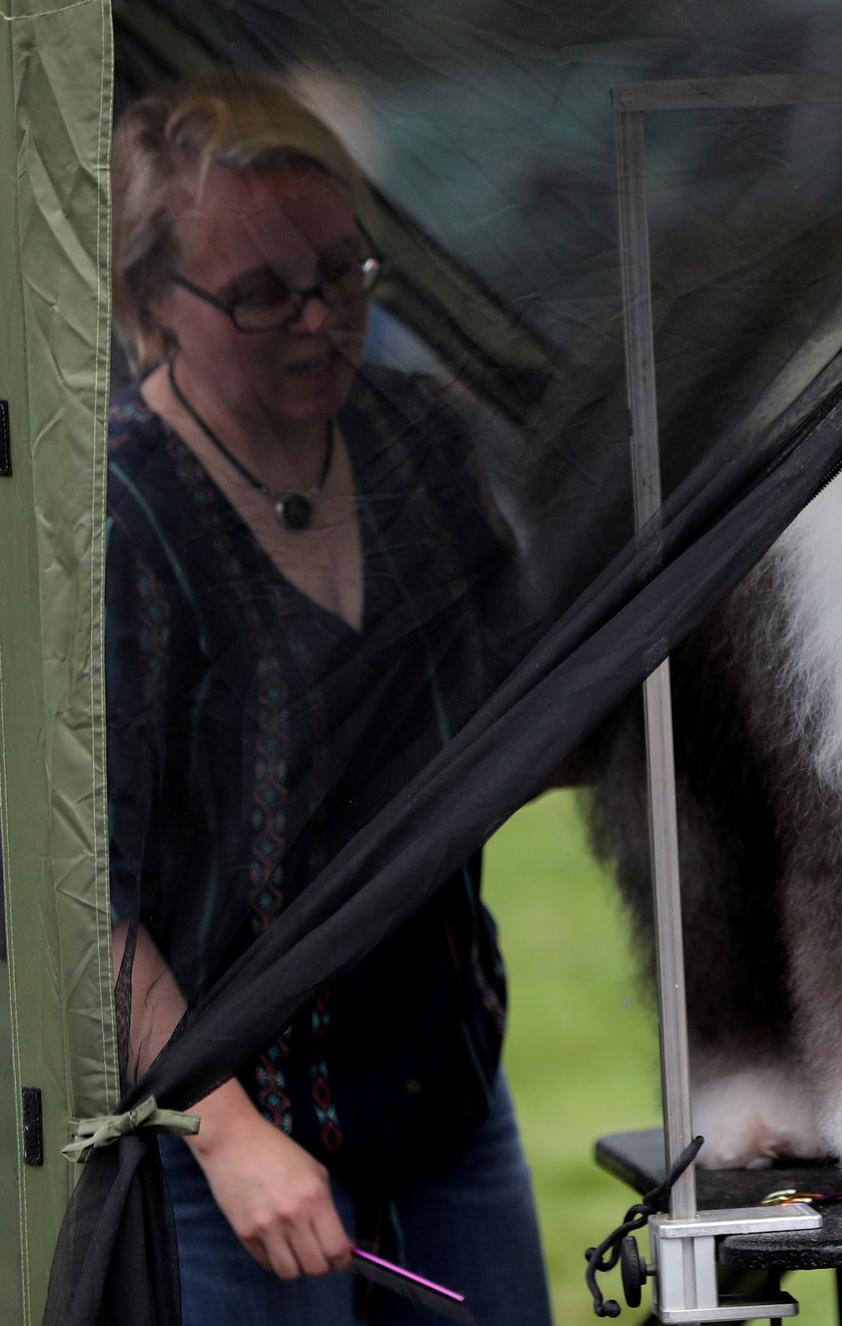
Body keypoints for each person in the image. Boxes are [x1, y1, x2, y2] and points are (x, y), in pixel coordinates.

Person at [106, 71, 551, 1324]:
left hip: (444, 1098)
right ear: (154, 301)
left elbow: (519, 699)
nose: (315, 323)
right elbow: (74, 889)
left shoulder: (420, 441)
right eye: (259, 294)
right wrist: (229, 1131)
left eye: (341, 275)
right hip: (220, 1142)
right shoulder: (116, 521)